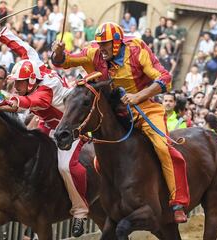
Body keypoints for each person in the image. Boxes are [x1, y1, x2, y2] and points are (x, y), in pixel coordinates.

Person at [51, 22, 190, 223]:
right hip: (117, 113)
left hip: (146, 109)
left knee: (162, 146)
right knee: (99, 160)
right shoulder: (94, 51)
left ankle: (178, 201)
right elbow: (63, 62)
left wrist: (138, 96)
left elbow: (165, 78)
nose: (101, 48)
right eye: (99, 43)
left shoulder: (136, 49)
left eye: (105, 44)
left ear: (116, 42)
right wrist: (58, 52)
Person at [0, 21, 89, 237]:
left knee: (65, 167)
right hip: (48, 125)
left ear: (33, 80)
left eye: (20, 83)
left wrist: (8, 99)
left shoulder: (44, 93)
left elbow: (28, 102)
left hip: (70, 130)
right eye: (16, 83)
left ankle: (80, 210)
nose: (17, 87)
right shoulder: (34, 65)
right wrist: (1, 34)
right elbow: (24, 48)